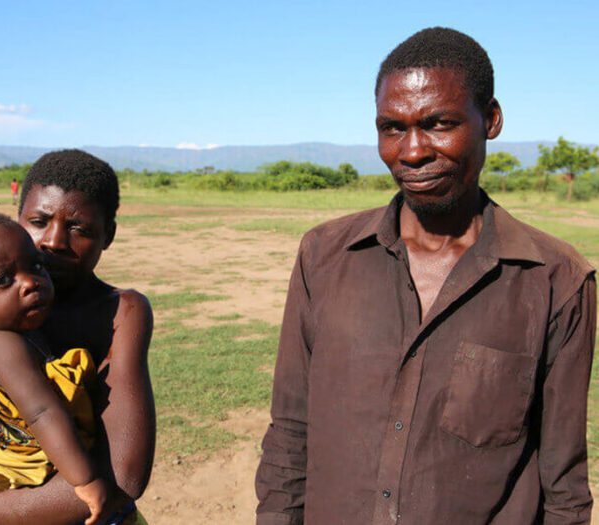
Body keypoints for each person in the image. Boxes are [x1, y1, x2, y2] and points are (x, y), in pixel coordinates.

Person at [255, 27, 595, 524]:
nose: (412, 151)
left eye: (438, 123)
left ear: (491, 120)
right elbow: (289, 433)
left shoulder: (556, 281)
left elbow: (563, 484)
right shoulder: (323, 257)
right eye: (392, 127)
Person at [0, 149, 156, 525]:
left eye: (80, 228)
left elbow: (124, 477)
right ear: (16, 222)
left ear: (109, 235)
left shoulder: (119, 312)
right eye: (38, 221)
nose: (53, 241)